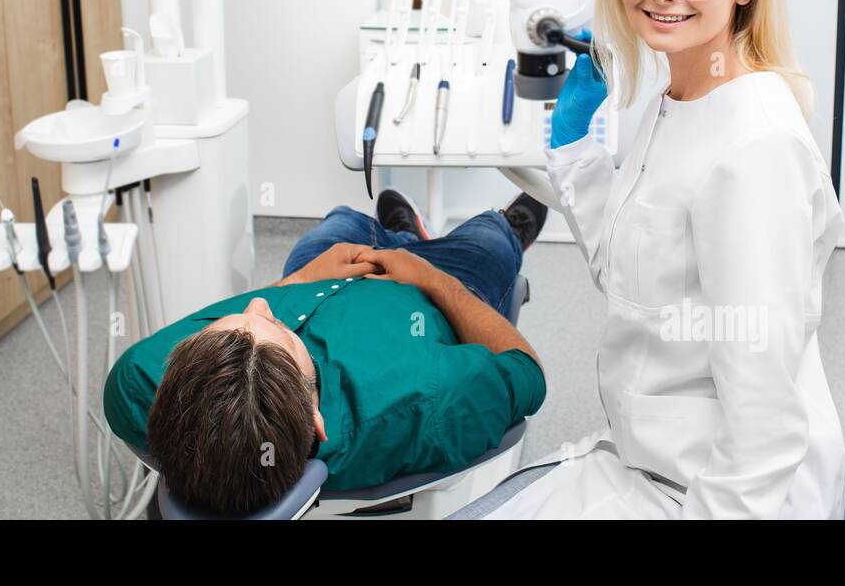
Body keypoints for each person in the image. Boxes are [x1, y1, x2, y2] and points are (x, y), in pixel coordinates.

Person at [488, 0, 845, 519]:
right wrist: (574, 145)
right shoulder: (679, 94)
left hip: (725, 495)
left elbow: (764, 423)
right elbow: (635, 279)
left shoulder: (753, 149)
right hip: (652, 458)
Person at [104, 189, 549, 515]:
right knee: (488, 238)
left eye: (242, 317)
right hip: (440, 290)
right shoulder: (425, 404)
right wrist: (430, 278)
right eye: (276, 326)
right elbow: (527, 373)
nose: (259, 302)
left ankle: (399, 231)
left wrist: (295, 284)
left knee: (341, 218)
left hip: (321, 273)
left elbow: (263, 306)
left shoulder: (138, 382)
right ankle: (501, 227)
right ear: (314, 421)